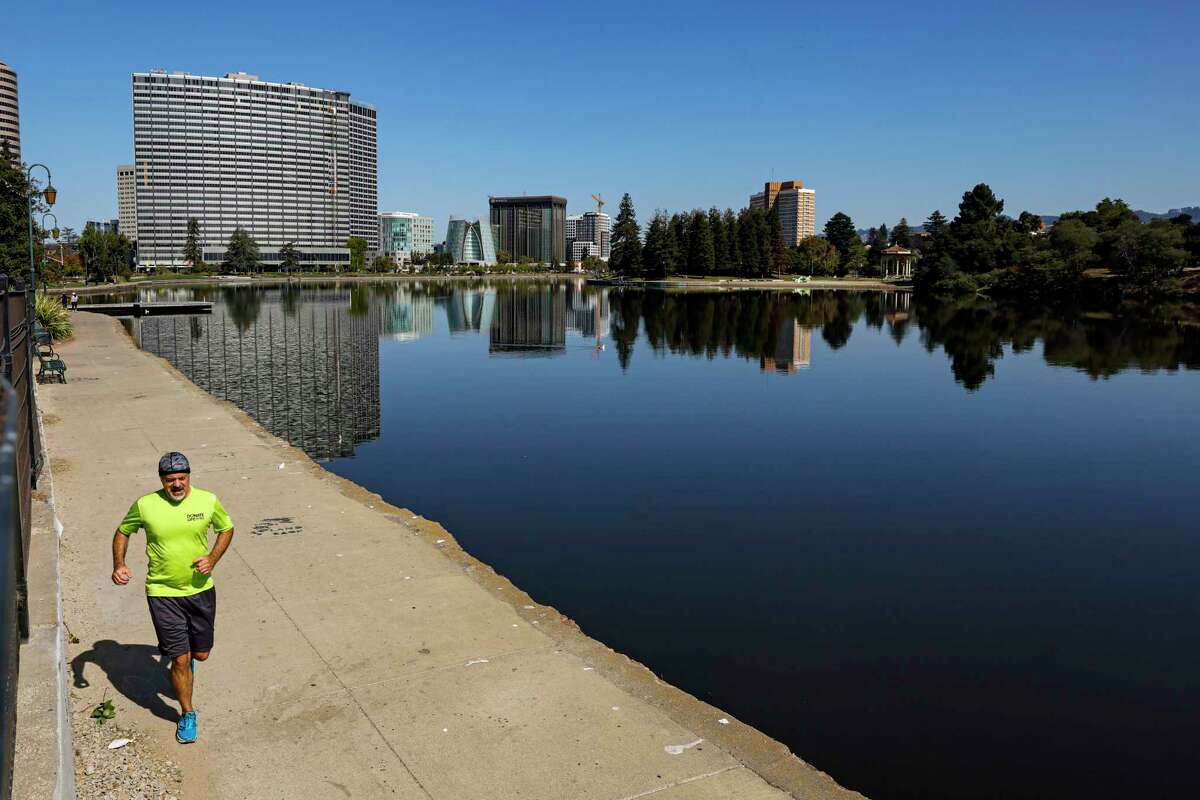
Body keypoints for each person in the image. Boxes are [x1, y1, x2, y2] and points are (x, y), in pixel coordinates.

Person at [112, 452, 235, 744]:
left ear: (189, 476)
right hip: (162, 592)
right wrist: (119, 564)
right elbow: (122, 531)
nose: (177, 485)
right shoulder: (145, 505)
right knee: (180, 658)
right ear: (161, 481)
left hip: (200, 590)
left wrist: (212, 559)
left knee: (200, 655)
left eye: (181, 479)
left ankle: (186, 657)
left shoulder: (207, 500)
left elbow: (226, 528)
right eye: (170, 480)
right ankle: (187, 713)